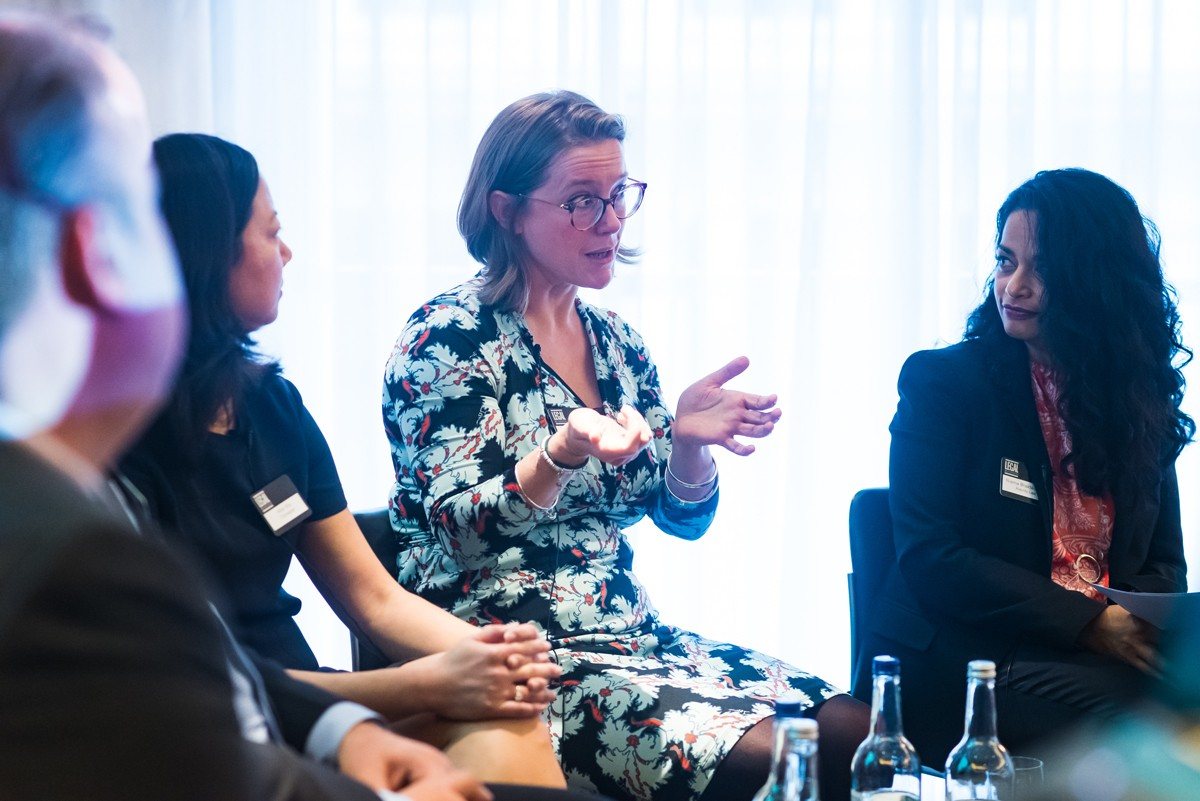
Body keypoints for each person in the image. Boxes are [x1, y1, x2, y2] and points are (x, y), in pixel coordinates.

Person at [0, 11, 490, 801]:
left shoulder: (266, 405)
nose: (288, 252)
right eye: (138, 210)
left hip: (296, 718)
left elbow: (351, 606)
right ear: (96, 252)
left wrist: (354, 723)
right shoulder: (78, 552)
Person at [382, 90, 868, 801]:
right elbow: (462, 532)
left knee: (854, 729)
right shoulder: (446, 338)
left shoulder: (616, 343)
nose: (611, 221)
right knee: (775, 756)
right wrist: (558, 455)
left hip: (631, 636)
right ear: (506, 210)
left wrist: (689, 447)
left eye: (618, 196)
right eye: (582, 201)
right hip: (515, 653)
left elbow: (682, 519)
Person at [119, 132, 571, 788]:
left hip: (313, 707)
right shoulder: (121, 437)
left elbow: (374, 598)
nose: (287, 253)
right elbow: (199, 680)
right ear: (208, 253)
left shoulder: (271, 406)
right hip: (218, 724)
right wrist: (422, 682)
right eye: (271, 233)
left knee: (508, 719)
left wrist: (490, 656)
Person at [873, 168, 1192, 763]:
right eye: (1005, 261)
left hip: (1094, 659)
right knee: (1157, 728)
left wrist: (1135, 623)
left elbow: (1163, 564)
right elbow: (932, 558)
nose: (1013, 286)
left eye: (1041, 269)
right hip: (967, 662)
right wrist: (1091, 624)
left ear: (1097, 281)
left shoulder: (1135, 400)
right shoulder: (944, 383)